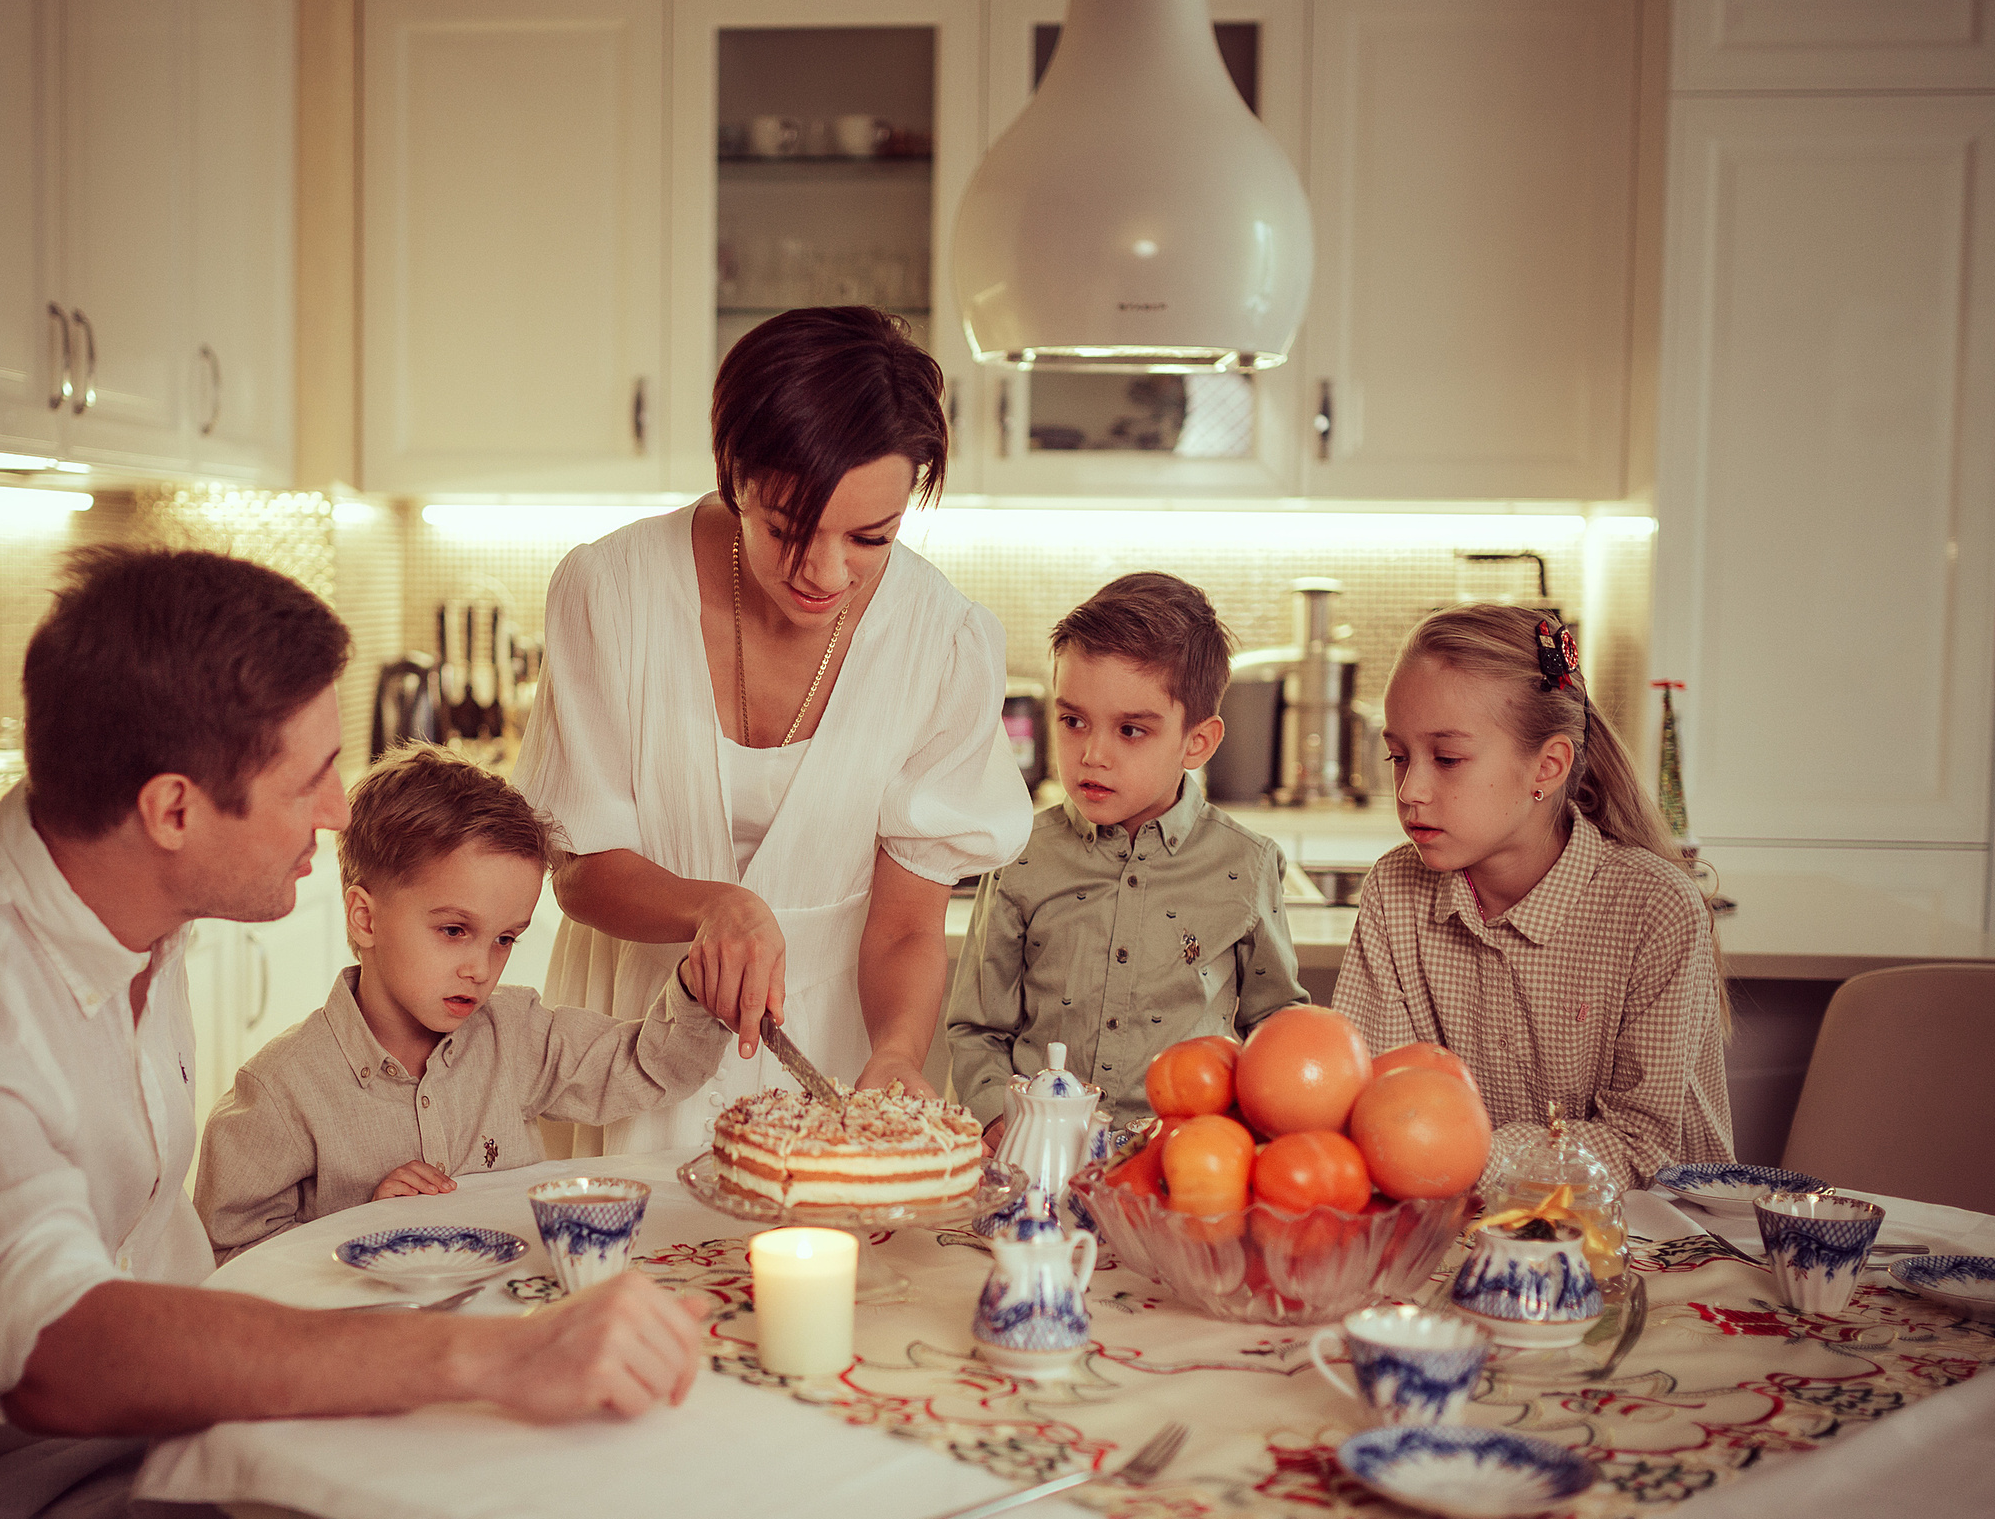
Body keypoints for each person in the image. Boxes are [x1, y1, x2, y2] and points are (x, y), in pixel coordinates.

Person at [0, 548, 707, 1519]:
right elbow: (53, 1350)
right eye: (310, 780)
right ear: (173, 809)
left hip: (179, 1474)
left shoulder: (133, 905)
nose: (338, 810)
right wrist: (488, 1357)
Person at [513, 306, 1033, 1153]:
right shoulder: (610, 591)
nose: (827, 573)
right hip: (630, 1039)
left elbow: (906, 924)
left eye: (872, 537)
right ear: (735, 475)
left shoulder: (943, 641)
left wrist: (898, 1051)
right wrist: (713, 905)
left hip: (830, 1047)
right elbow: (580, 873)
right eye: (790, 528)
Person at [195, 745, 731, 1249]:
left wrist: (703, 984)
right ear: (366, 918)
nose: (481, 969)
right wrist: (360, 1227)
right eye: (454, 930)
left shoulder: (517, 1035)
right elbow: (230, 1264)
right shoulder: (278, 1093)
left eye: (504, 939)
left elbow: (647, 1066)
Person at [1331, 603, 1733, 1183]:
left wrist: (1458, 1152)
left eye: (1448, 759)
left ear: (1546, 767)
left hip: (1661, 1243)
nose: (1411, 788)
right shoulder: (1395, 891)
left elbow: (1643, 1149)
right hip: (1474, 1229)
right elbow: (1376, 1104)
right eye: (1399, 757)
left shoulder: (1657, 908)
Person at [944, 573, 1308, 1134]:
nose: (1092, 754)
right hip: (1041, 1159)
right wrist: (1000, 1126)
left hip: (1182, 1167)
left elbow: (1278, 1029)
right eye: (1073, 721)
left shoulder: (1246, 865)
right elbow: (978, 1030)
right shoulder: (1020, 855)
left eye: (1131, 730)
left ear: (1197, 742)